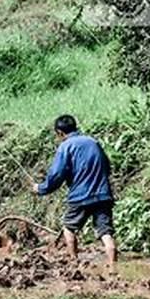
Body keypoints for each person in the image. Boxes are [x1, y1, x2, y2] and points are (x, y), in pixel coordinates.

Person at [33, 115, 118, 271]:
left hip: (80, 196)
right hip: (103, 194)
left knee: (69, 228)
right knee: (105, 231)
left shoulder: (66, 147)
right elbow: (107, 166)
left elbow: (56, 175)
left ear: (59, 132)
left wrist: (40, 189)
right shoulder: (93, 142)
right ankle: (113, 267)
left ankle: (74, 264)